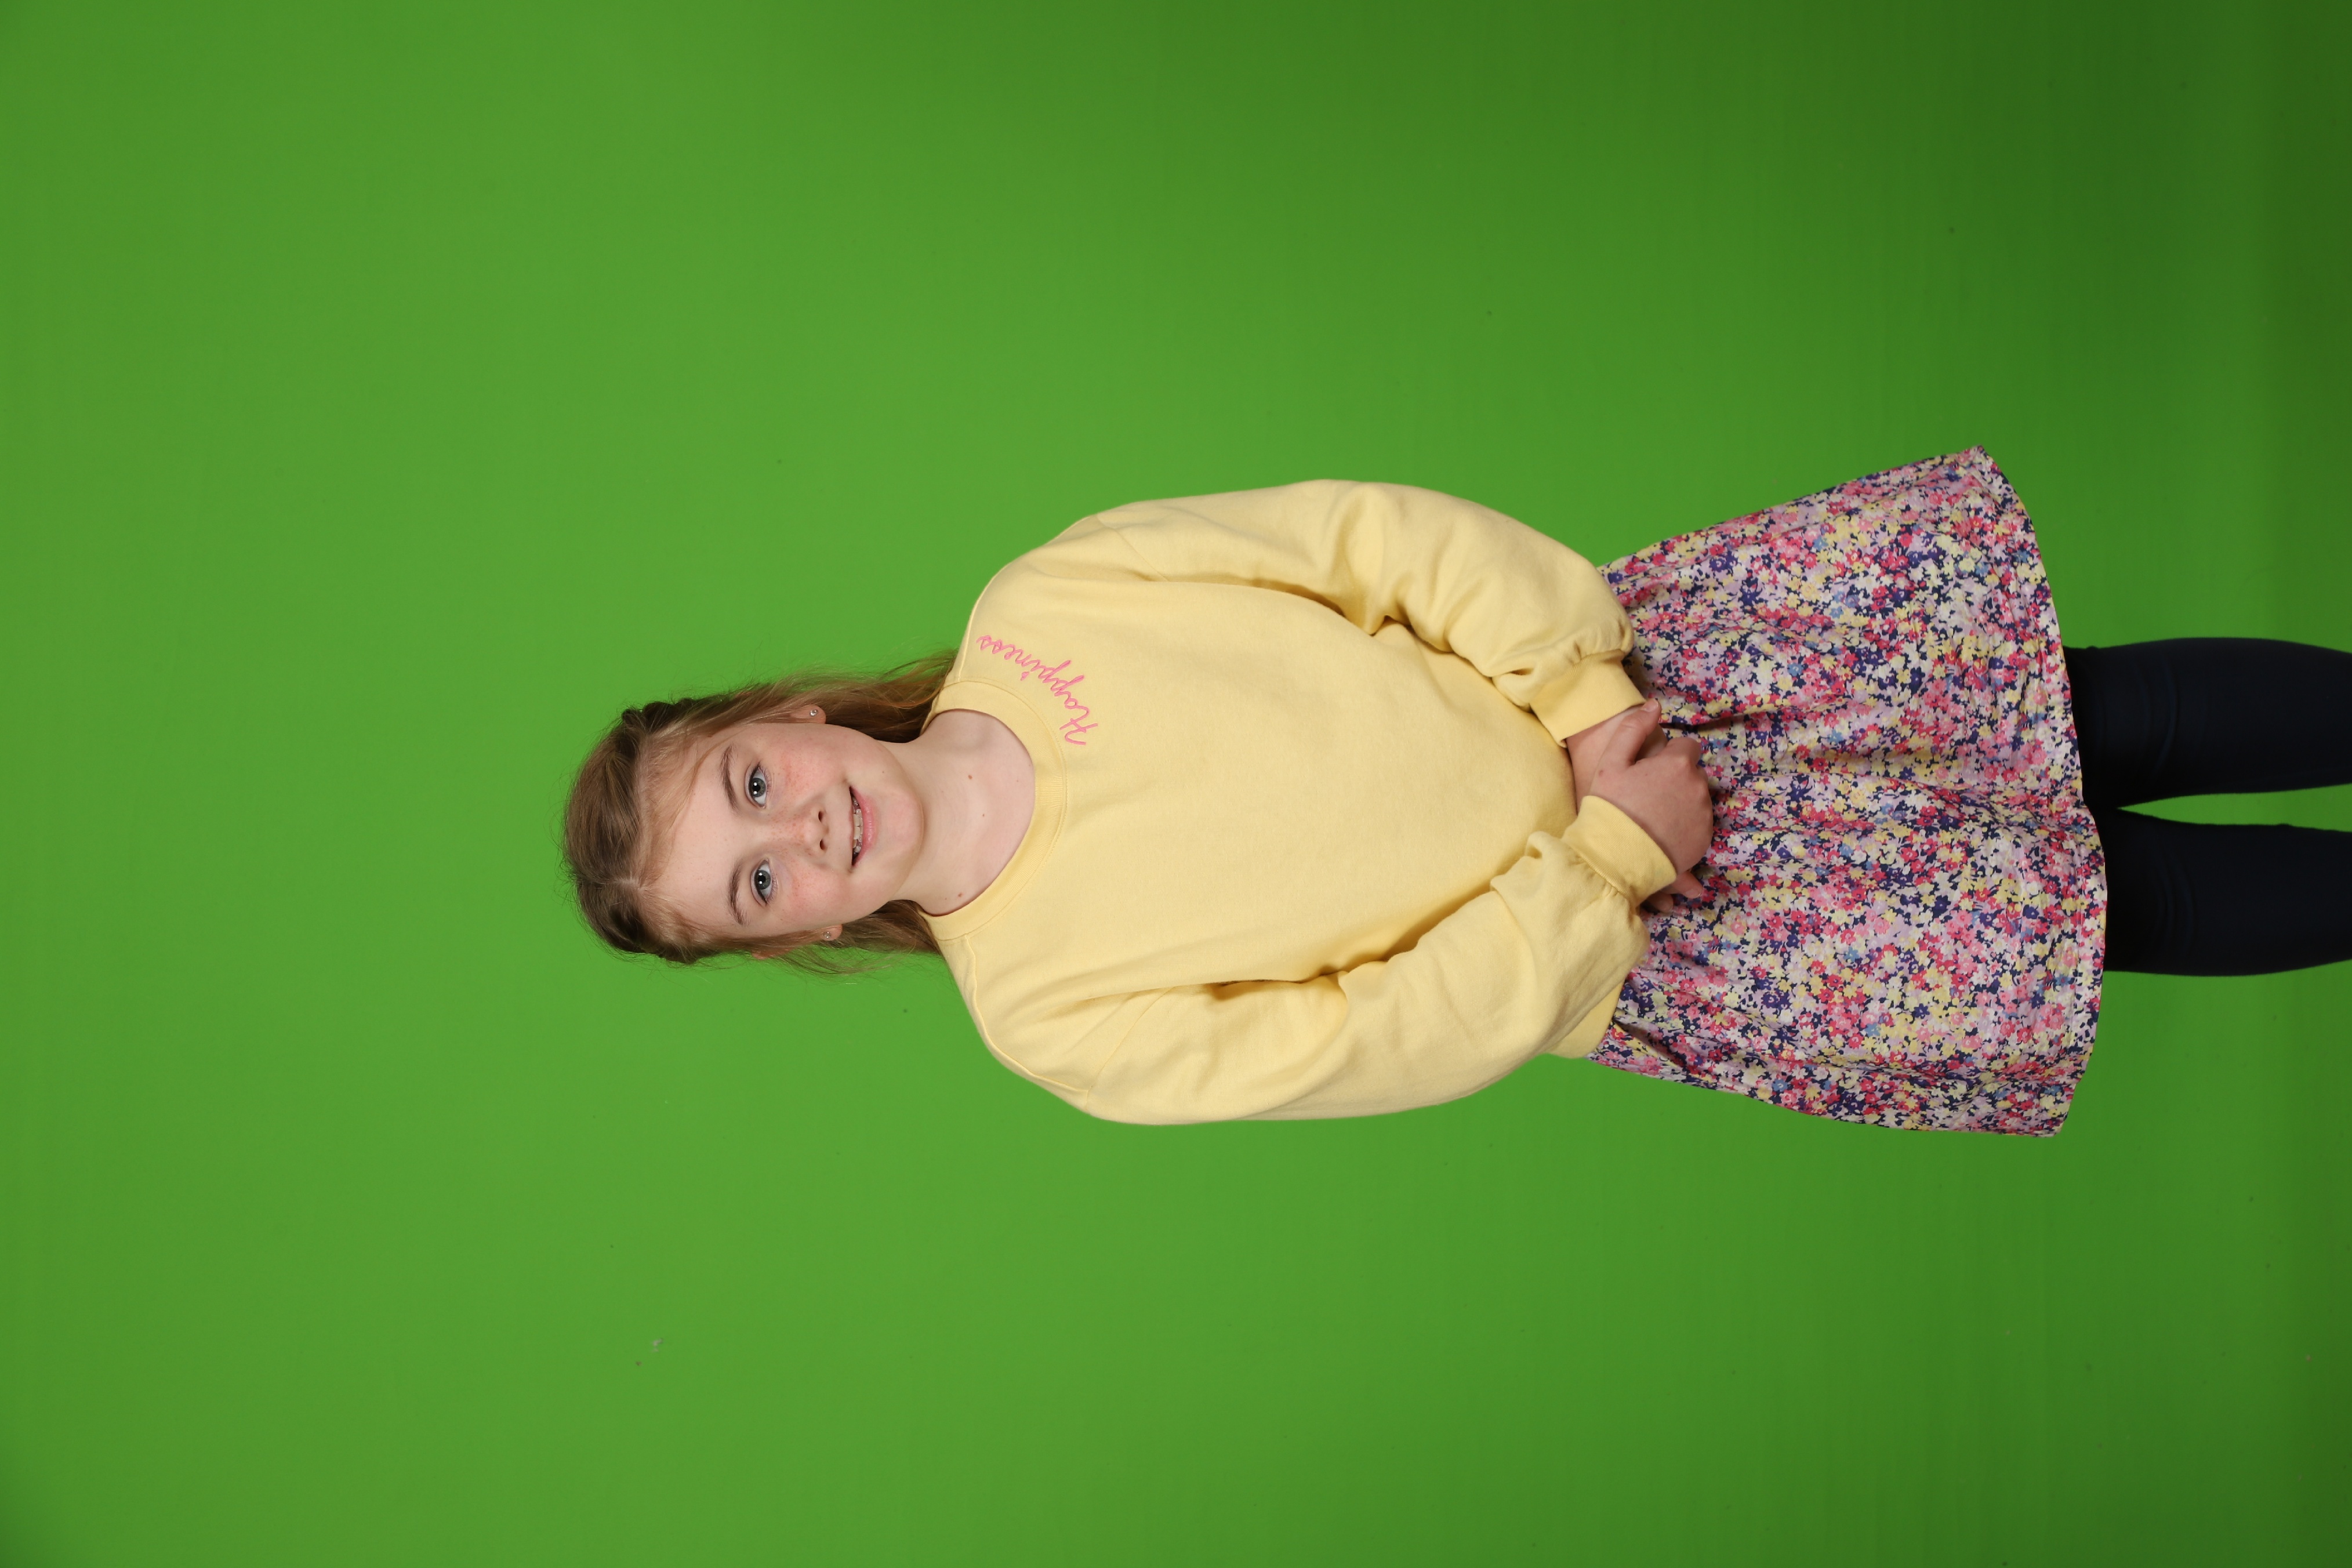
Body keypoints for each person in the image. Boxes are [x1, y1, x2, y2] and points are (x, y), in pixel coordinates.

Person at [562, 450, 2352, 1135]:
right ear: (784, 938)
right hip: (1657, 920)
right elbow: (1378, 1040)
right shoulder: (1054, 1018)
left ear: (783, 715)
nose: (801, 833)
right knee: (2110, 907)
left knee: (2091, 710)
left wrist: (1582, 698)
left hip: (1662, 690)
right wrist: (1603, 859)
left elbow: (1370, 544)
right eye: (755, 883)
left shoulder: (1050, 604)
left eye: (752, 785)